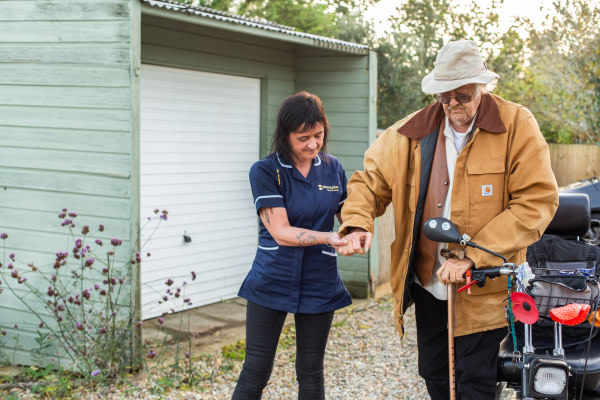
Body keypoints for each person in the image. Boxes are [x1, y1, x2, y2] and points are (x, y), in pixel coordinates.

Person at [336, 40, 559, 399]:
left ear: (483, 88)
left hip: (483, 287)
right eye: (445, 96)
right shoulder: (411, 132)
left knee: (474, 382)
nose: (453, 104)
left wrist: (475, 255)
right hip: (429, 284)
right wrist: (359, 222)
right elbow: (368, 182)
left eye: (463, 95)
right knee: (435, 374)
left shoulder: (516, 124)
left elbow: (536, 202)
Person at [232, 91, 352, 400]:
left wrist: (357, 231)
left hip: (319, 280)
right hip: (272, 279)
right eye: (303, 138)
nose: (313, 145)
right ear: (285, 136)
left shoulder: (333, 167)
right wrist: (328, 237)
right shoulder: (265, 171)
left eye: (318, 135)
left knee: (311, 371)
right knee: (256, 369)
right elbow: (281, 231)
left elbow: (345, 213)